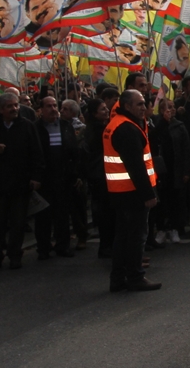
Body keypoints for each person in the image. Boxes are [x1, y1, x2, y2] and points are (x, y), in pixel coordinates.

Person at [103, 89, 161, 291]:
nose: (143, 107)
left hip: (121, 192)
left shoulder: (119, 124)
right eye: (139, 104)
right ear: (127, 106)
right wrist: (148, 195)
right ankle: (135, 276)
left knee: (123, 237)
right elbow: (136, 166)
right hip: (132, 192)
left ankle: (119, 278)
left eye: (144, 103)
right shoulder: (126, 128)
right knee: (135, 237)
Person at [0, 92, 43, 271]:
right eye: (10, 106)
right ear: (1, 109)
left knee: (17, 223)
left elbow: (36, 153)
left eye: (16, 105)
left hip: (20, 183)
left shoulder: (27, 126)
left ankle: (15, 255)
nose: (14, 109)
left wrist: (36, 177)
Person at [34, 96, 81, 259]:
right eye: (49, 106)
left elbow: (74, 152)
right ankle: (43, 248)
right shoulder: (35, 128)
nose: (53, 109)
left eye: (55, 105)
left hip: (63, 177)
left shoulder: (65, 126)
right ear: (41, 110)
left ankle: (63, 246)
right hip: (44, 179)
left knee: (62, 215)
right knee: (43, 217)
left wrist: (75, 173)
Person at [150, 97, 190, 244]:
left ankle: (174, 228)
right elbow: (153, 140)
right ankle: (161, 229)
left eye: (173, 107)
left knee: (176, 200)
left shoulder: (179, 126)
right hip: (161, 169)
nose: (171, 109)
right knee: (161, 200)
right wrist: (162, 123)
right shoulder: (156, 125)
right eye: (168, 107)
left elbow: (186, 149)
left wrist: (186, 171)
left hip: (176, 168)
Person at [80, 99, 114, 258]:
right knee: (106, 213)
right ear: (94, 113)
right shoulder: (99, 130)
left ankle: (107, 244)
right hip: (101, 175)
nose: (106, 111)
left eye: (106, 108)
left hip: (99, 174)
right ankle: (107, 245)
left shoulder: (95, 128)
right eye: (102, 109)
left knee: (105, 212)